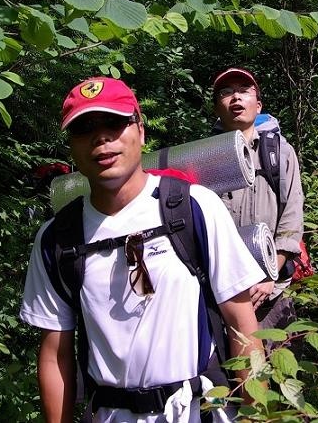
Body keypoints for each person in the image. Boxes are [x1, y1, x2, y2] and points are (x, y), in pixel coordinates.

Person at [20, 77, 266, 422]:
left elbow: (241, 323)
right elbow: (54, 354)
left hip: (196, 411)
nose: (101, 137)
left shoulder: (195, 207)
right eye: (84, 128)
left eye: (114, 122)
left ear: (140, 130)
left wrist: (259, 414)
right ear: (72, 147)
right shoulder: (57, 239)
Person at [211, 67, 305, 330]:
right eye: (226, 93)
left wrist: (269, 275)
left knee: (276, 355)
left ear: (258, 105)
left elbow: (292, 217)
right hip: (220, 292)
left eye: (244, 91)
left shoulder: (280, 152)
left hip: (272, 291)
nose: (236, 97)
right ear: (217, 108)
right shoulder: (206, 158)